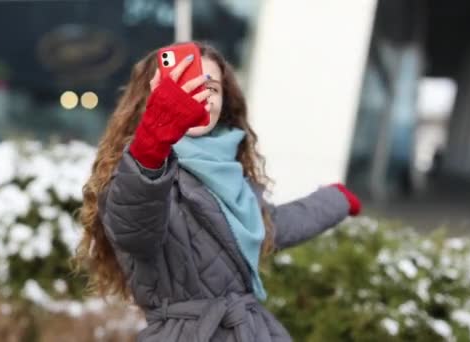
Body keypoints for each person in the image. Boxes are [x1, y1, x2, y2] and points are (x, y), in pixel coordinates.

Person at [76, 41, 361, 341]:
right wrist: (153, 141)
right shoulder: (138, 168)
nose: (202, 96)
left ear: (225, 101)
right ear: (154, 97)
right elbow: (134, 227)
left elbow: (270, 225)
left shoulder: (228, 169)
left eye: (211, 88)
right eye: (186, 85)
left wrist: (335, 199)